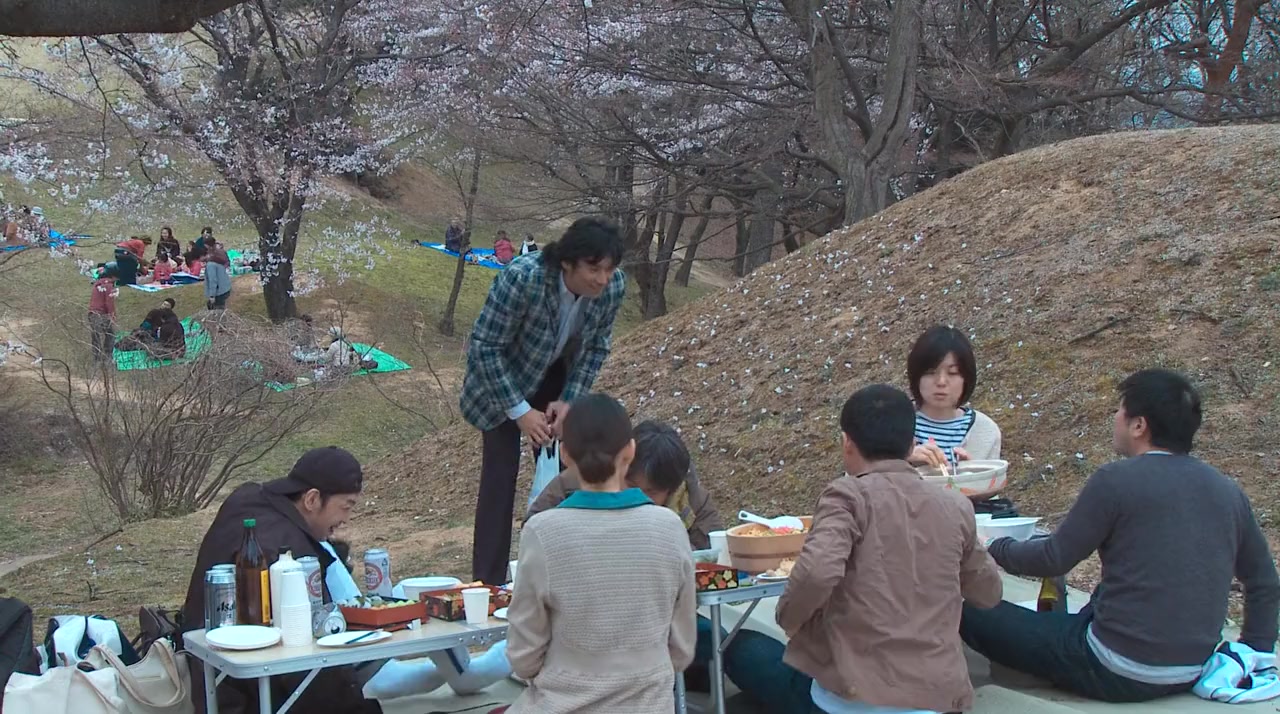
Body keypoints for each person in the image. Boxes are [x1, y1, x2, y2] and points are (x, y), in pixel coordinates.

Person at [961, 369, 1280, 703]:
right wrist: (1252, 653)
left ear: (1138, 425)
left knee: (965, 608)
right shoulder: (1227, 491)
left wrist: (993, 546)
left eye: (1119, 410)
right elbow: (1264, 581)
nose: (1115, 417)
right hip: (1191, 668)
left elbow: (1053, 558)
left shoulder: (1116, 480)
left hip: (1114, 668)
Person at [728, 384, 1003, 713]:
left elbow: (816, 574)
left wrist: (790, 618)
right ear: (911, 444)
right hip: (937, 698)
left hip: (849, 699)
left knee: (743, 649)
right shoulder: (955, 506)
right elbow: (989, 593)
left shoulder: (847, 496)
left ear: (847, 443)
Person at [461, 216, 627, 585]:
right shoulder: (523, 278)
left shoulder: (613, 286)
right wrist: (520, 412)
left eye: (609, 269)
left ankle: (569, 571)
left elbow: (596, 348)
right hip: (503, 377)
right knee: (499, 480)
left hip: (557, 376)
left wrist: (570, 401)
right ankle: (488, 584)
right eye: (594, 269)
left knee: (571, 472)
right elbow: (484, 347)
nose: (602, 278)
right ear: (568, 262)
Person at [505, 394, 696, 712]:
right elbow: (682, 649)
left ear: (565, 454)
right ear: (630, 452)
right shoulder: (670, 527)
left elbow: (523, 656)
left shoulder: (542, 531)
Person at [181, 447, 382, 714]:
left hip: (207, 677)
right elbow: (307, 652)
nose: (345, 519)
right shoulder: (288, 552)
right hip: (247, 694)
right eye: (345, 507)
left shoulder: (247, 500)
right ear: (312, 499)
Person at [527, 420, 722, 548]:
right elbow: (533, 528)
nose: (638, 497)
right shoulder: (579, 480)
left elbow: (712, 555)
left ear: (671, 490)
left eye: (651, 492)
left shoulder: (692, 501)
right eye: (631, 484)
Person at [905, 325, 1002, 468]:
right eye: (931, 372)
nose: (941, 382)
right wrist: (902, 461)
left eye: (953, 373)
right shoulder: (892, 423)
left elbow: (995, 481)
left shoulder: (985, 431)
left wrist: (971, 476)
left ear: (966, 378)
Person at [88, 266, 119, 362]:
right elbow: (109, 302)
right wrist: (112, 315)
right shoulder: (109, 286)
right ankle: (107, 357)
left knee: (96, 337)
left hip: (92, 313)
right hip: (102, 314)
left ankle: (96, 358)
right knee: (110, 335)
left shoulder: (97, 284)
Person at [203, 237, 231, 310]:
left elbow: (213, 280)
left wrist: (212, 295)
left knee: (217, 310)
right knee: (221, 308)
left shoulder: (211, 264)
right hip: (225, 287)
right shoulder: (217, 257)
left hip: (219, 290)